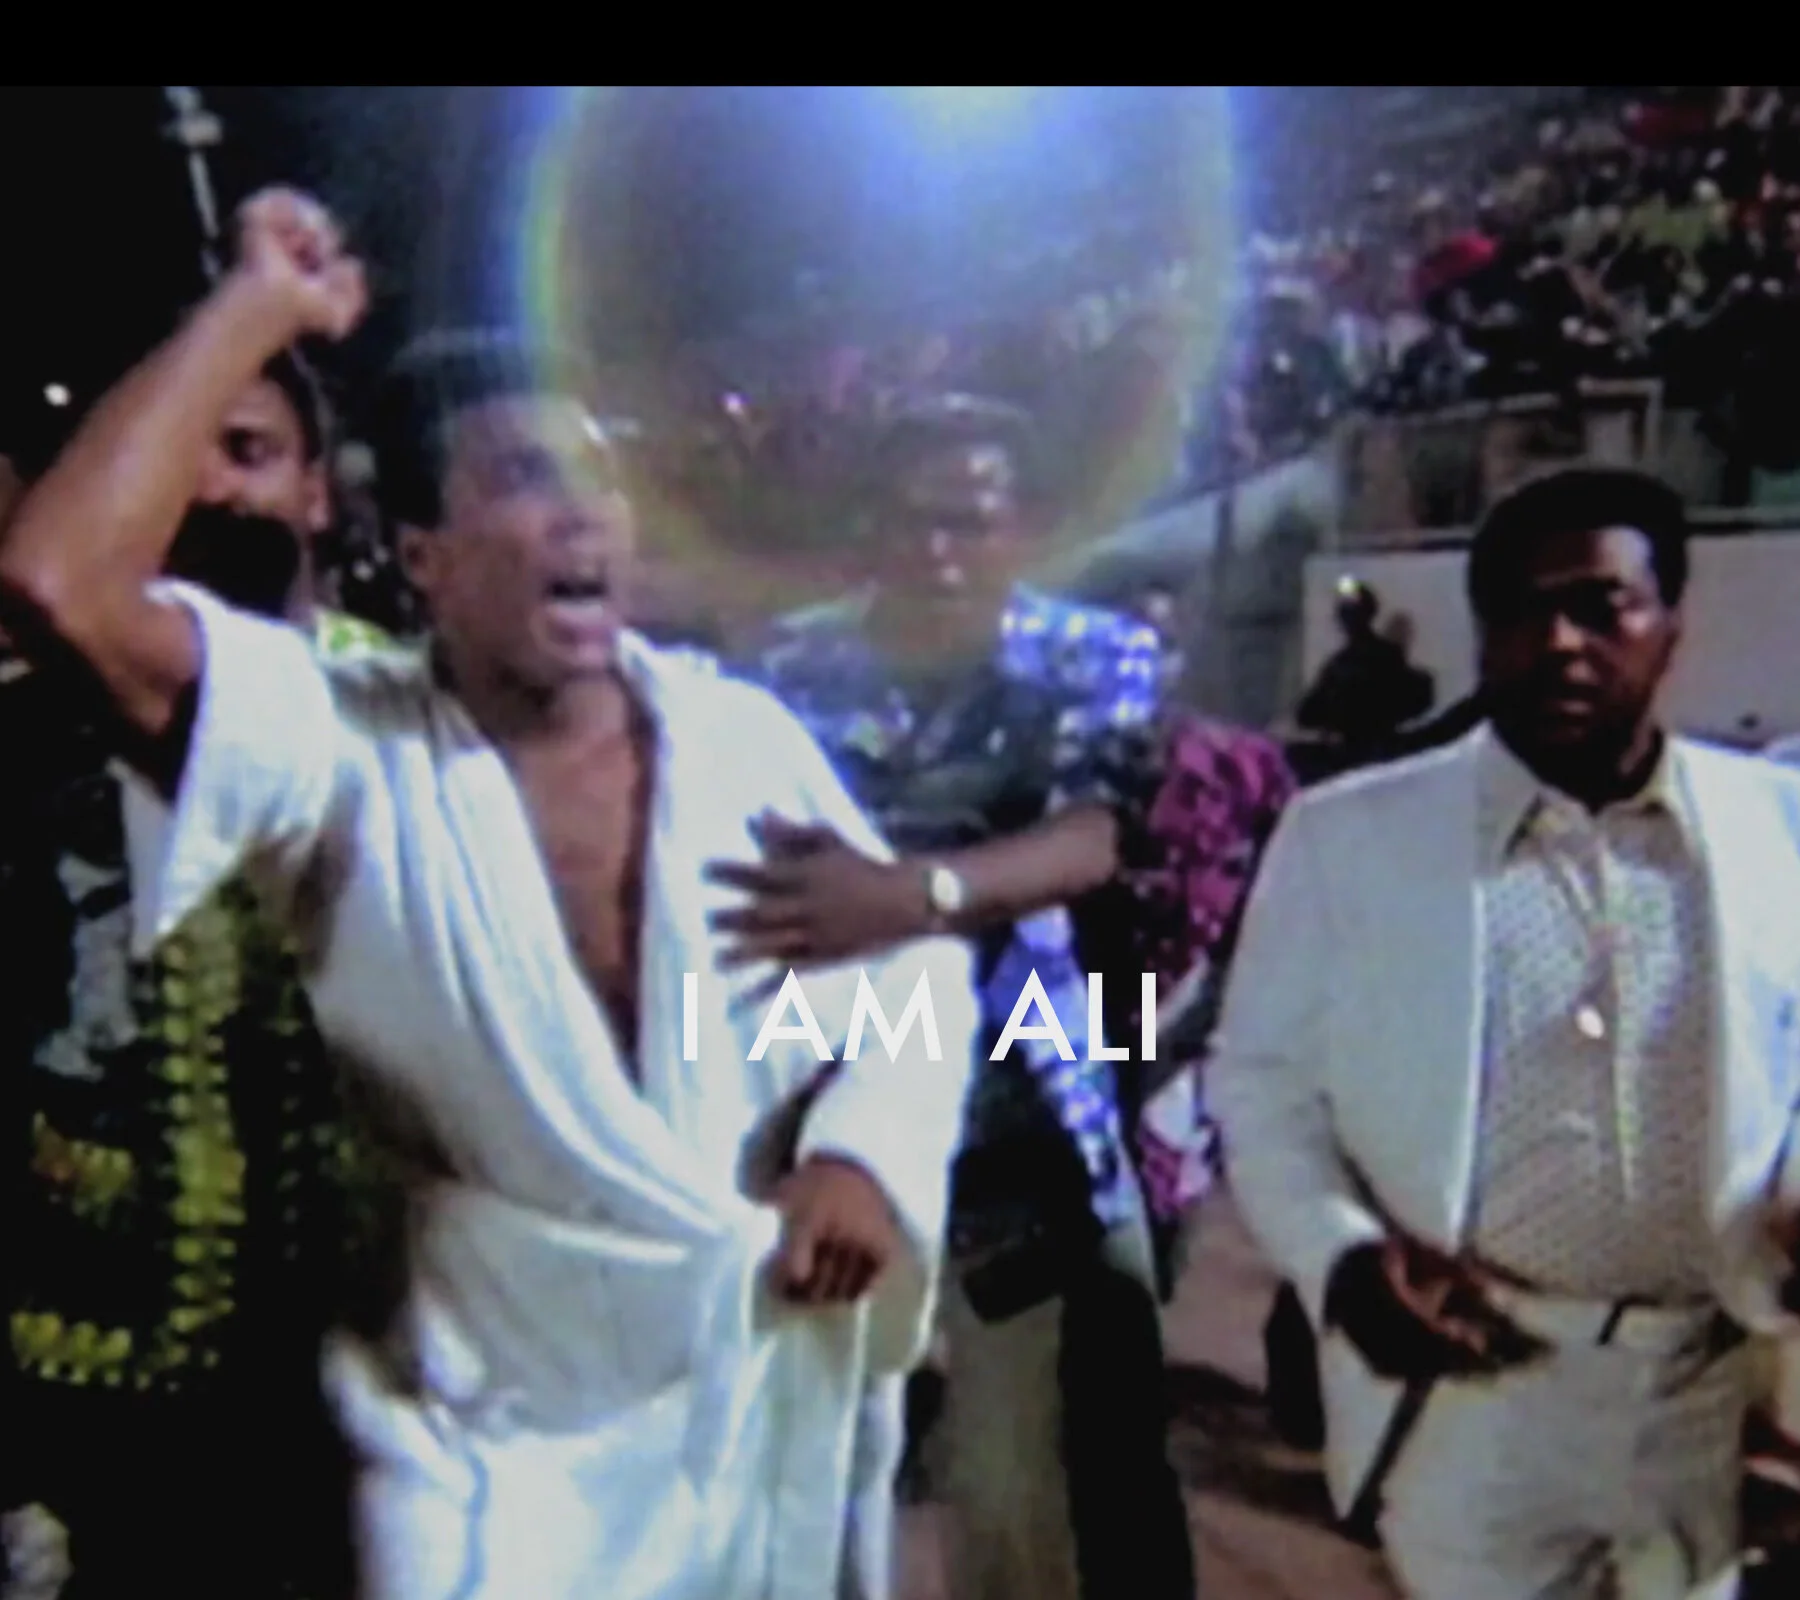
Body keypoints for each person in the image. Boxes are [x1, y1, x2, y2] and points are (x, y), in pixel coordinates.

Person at [0, 190, 978, 1600]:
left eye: (600, 476)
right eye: (525, 476)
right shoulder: (343, 750)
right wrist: (257, 305)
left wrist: (865, 1154)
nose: (583, 513)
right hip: (489, 1452)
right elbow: (58, 584)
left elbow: (915, 969)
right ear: (423, 553)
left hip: (750, 1391)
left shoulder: (744, 744)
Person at [1212, 465, 1800, 1599]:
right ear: (1483, 637)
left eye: (1601, 606)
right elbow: (1262, 1083)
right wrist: (1342, 1261)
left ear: (1671, 623)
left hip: (1705, 1388)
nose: (1563, 642)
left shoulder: (1777, 828)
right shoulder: (1350, 837)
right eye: (1525, 612)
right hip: (1475, 1392)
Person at [736, 394, 1194, 1600]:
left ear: (1023, 528)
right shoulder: (789, 667)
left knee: (1038, 1485)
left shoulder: (1094, 653)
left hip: (1022, 1108)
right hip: (824, 1095)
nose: (938, 550)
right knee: (813, 1460)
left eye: (969, 521)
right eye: (911, 520)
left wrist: (905, 895)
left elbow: (1092, 836)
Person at [0, 347, 388, 1598]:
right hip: (84, 1425)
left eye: (251, 452)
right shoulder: (23, 746)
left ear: (318, 490)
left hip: (385, 1406)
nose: (214, 489)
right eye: (184, 452)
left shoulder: (424, 725)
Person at [1295, 577, 1435, 762]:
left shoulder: (1342, 665)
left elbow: (1309, 714)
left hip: (1362, 756)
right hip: (1378, 755)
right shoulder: (1380, 658)